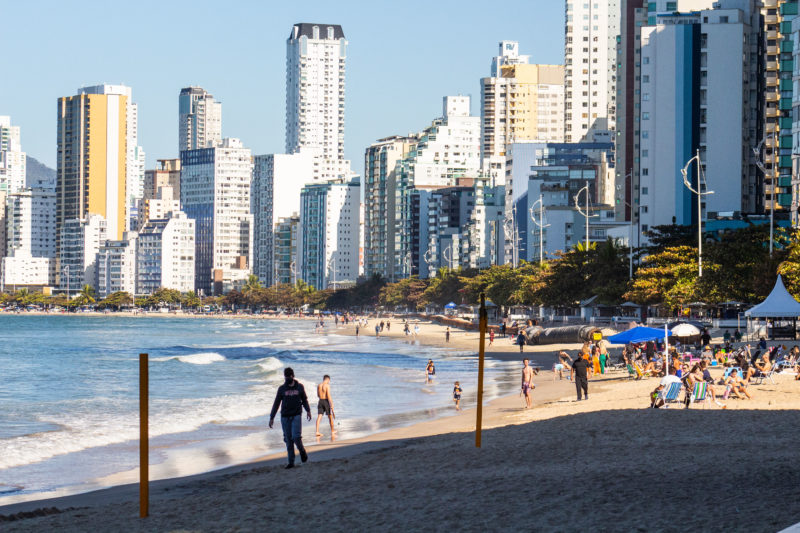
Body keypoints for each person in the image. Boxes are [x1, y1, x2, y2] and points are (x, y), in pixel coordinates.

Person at [269, 368, 312, 469]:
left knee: (296, 437)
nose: (287, 378)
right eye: (285, 377)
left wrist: (308, 411)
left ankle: (302, 451)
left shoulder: (300, 387)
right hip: (285, 417)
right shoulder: (281, 389)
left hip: (296, 415)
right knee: (288, 440)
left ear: (293, 376)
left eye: (289, 376)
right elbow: (276, 403)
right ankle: (291, 462)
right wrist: (272, 417)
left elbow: (304, 400)